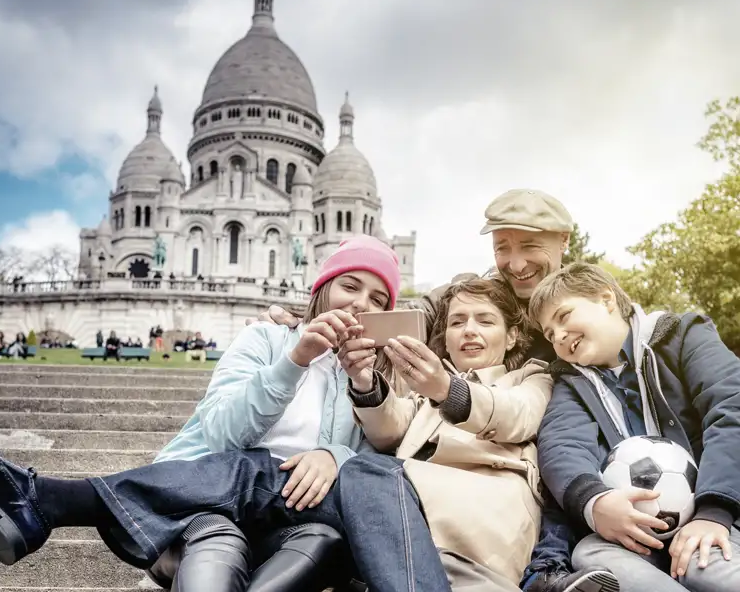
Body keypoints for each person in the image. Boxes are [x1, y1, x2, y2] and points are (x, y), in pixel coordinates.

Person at [0, 235, 400, 591]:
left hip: (291, 526)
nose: (361, 304)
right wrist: (295, 360)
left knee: (325, 540)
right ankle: (43, 500)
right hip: (196, 508)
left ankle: (44, 499)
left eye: (379, 300)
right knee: (220, 534)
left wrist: (335, 456)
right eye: (350, 285)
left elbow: (378, 474)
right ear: (322, 287)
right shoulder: (264, 341)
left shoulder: (372, 383)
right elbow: (223, 435)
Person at [250, 189, 616, 592]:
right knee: (313, 480)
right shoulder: (466, 302)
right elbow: (408, 323)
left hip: (493, 499)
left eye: (530, 246)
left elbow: (523, 412)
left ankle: (542, 570)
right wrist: (333, 339)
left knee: (366, 475)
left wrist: (448, 390)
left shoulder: (545, 358)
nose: (516, 263)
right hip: (420, 504)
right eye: (502, 248)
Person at [528, 262, 740, 592]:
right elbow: (561, 444)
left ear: (606, 298)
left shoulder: (682, 335)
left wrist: (714, 512)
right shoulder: (572, 384)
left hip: (720, 513)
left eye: (564, 316)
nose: (558, 335)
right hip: (644, 535)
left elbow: (731, 408)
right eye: (549, 333)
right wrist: (595, 503)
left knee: (702, 566)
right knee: (589, 553)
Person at [335, 276, 552, 591]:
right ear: (446, 339)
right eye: (457, 322)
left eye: (485, 320)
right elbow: (390, 430)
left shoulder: (531, 378)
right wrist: (364, 382)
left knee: (361, 472)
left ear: (511, 337)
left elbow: (517, 414)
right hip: (409, 520)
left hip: (478, 526)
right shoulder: (424, 391)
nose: (469, 330)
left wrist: (448, 390)